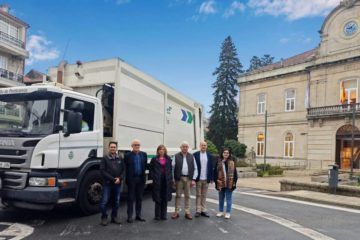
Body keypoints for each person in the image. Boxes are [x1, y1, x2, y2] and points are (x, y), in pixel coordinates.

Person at [99, 141, 125, 226]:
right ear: (108, 148)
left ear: (116, 148)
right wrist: (113, 179)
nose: (113, 148)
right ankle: (104, 217)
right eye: (111, 147)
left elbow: (124, 170)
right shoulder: (105, 158)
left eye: (114, 147)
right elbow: (102, 171)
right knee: (104, 202)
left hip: (117, 184)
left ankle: (114, 217)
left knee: (116, 201)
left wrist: (120, 178)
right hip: (108, 183)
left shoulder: (120, 158)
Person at [172, 141, 198, 220]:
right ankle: (176, 212)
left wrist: (194, 179)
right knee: (178, 195)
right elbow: (172, 168)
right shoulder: (176, 156)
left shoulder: (191, 156)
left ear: (188, 148)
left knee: (188, 196)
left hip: (189, 178)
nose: (185, 148)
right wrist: (173, 179)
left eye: (186, 146)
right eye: (183, 146)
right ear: (180, 148)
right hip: (179, 178)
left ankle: (187, 212)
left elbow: (195, 168)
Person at [124, 139, 148, 223]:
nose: (137, 146)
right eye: (135, 145)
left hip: (140, 179)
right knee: (130, 198)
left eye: (138, 145)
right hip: (132, 180)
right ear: (132, 146)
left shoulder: (144, 155)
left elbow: (145, 166)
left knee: (139, 198)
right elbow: (125, 168)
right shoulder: (127, 155)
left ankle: (138, 215)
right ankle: (129, 216)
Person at [149, 145, 173, 221]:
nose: (161, 151)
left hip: (166, 180)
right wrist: (153, 178)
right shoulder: (154, 159)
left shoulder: (168, 158)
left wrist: (170, 178)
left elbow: (170, 169)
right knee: (157, 197)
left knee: (165, 197)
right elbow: (151, 169)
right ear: (158, 151)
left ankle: (164, 215)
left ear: (165, 150)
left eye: (163, 149)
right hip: (157, 180)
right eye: (160, 149)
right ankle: (157, 215)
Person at [214, 148, 238, 219]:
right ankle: (221, 211)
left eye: (227, 153)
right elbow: (215, 173)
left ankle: (228, 212)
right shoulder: (218, 162)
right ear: (222, 153)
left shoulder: (232, 162)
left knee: (228, 198)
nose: (226, 154)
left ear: (229, 154)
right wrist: (216, 182)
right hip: (220, 183)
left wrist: (234, 183)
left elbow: (235, 174)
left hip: (229, 183)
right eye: (224, 153)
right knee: (221, 198)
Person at [193, 141, 214, 218]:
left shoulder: (210, 155)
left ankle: (203, 210)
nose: (203, 146)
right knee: (198, 195)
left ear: (206, 146)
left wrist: (211, 178)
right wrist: (193, 178)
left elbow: (211, 168)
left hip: (206, 178)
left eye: (205, 145)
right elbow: (193, 167)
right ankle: (198, 210)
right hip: (198, 178)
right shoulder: (195, 155)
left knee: (204, 195)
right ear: (200, 146)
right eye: (202, 145)